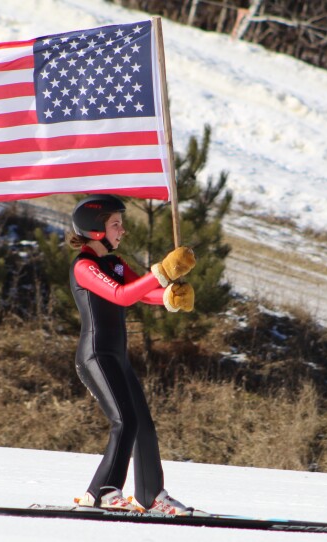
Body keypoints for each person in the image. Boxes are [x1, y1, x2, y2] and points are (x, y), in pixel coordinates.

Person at [67, 194, 197, 516]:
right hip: (95, 356)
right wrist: (162, 272)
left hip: (117, 357)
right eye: (115, 224)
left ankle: (151, 495)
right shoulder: (84, 266)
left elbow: (140, 290)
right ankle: (100, 492)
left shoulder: (113, 263)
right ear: (96, 230)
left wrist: (169, 296)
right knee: (124, 422)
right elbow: (121, 296)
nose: (122, 230)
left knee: (143, 425)